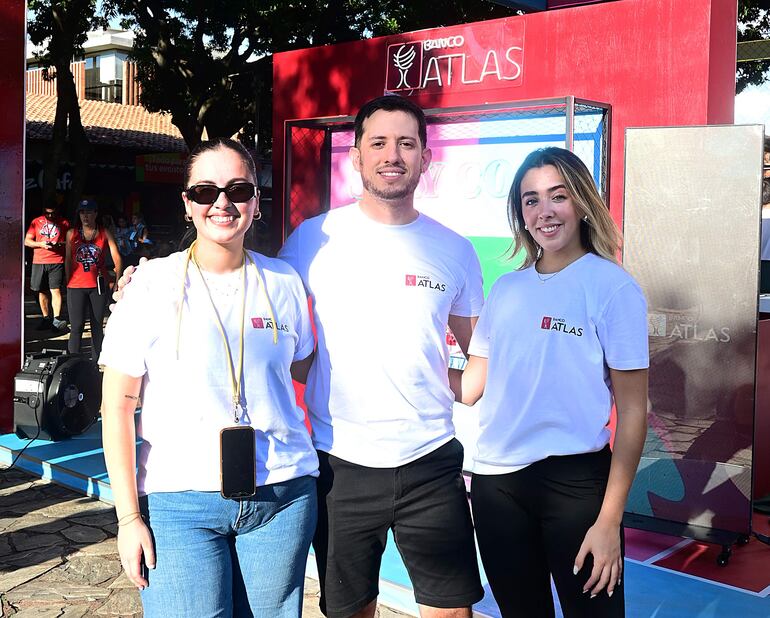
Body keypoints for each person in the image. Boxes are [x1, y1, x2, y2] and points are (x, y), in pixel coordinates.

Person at [279, 95, 484, 618]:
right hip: (339, 464)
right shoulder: (312, 240)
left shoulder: (455, 250)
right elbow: (265, 321)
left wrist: (458, 382)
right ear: (357, 157)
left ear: (425, 159)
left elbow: (480, 347)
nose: (392, 154)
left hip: (431, 461)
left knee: (452, 613)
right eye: (379, 142)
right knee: (350, 612)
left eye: (406, 143)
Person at [100, 138, 318, 617]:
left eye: (238, 189)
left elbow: (301, 367)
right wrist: (129, 518)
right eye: (205, 191)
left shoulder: (285, 282)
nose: (222, 202)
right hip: (180, 504)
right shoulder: (150, 285)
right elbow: (116, 407)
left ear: (256, 203)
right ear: (187, 204)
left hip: (281, 496)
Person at [452, 147, 649, 618]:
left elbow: (634, 412)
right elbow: (471, 386)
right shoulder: (506, 289)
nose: (544, 211)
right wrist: (404, 355)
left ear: (581, 202)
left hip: (577, 488)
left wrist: (608, 521)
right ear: (520, 213)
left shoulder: (613, 287)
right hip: (496, 487)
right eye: (530, 200)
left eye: (557, 196)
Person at [65, 199, 122, 360]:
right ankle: (73, 362)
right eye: (82, 213)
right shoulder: (72, 233)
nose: (85, 216)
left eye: (89, 212)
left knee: (97, 325)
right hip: (76, 286)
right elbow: (68, 260)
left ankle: (96, 362)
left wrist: (117, 280)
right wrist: (68, 281)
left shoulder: (104, 233)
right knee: (76, 326)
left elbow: (116, 257)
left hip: (98, 286)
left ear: (96, 214)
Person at [25, 204, 69, 331]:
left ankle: (57, 319)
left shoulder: (64, 222)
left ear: (57, 212)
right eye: (47, 213)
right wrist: (41, 244)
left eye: (53, 213)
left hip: (57, 260)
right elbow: (27, 241)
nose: (50, 216)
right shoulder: (36, 222)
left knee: (55, 290)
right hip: (39, 261)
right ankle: (46, 318)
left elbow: (71, 241)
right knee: (41, 290)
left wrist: (59, 244)